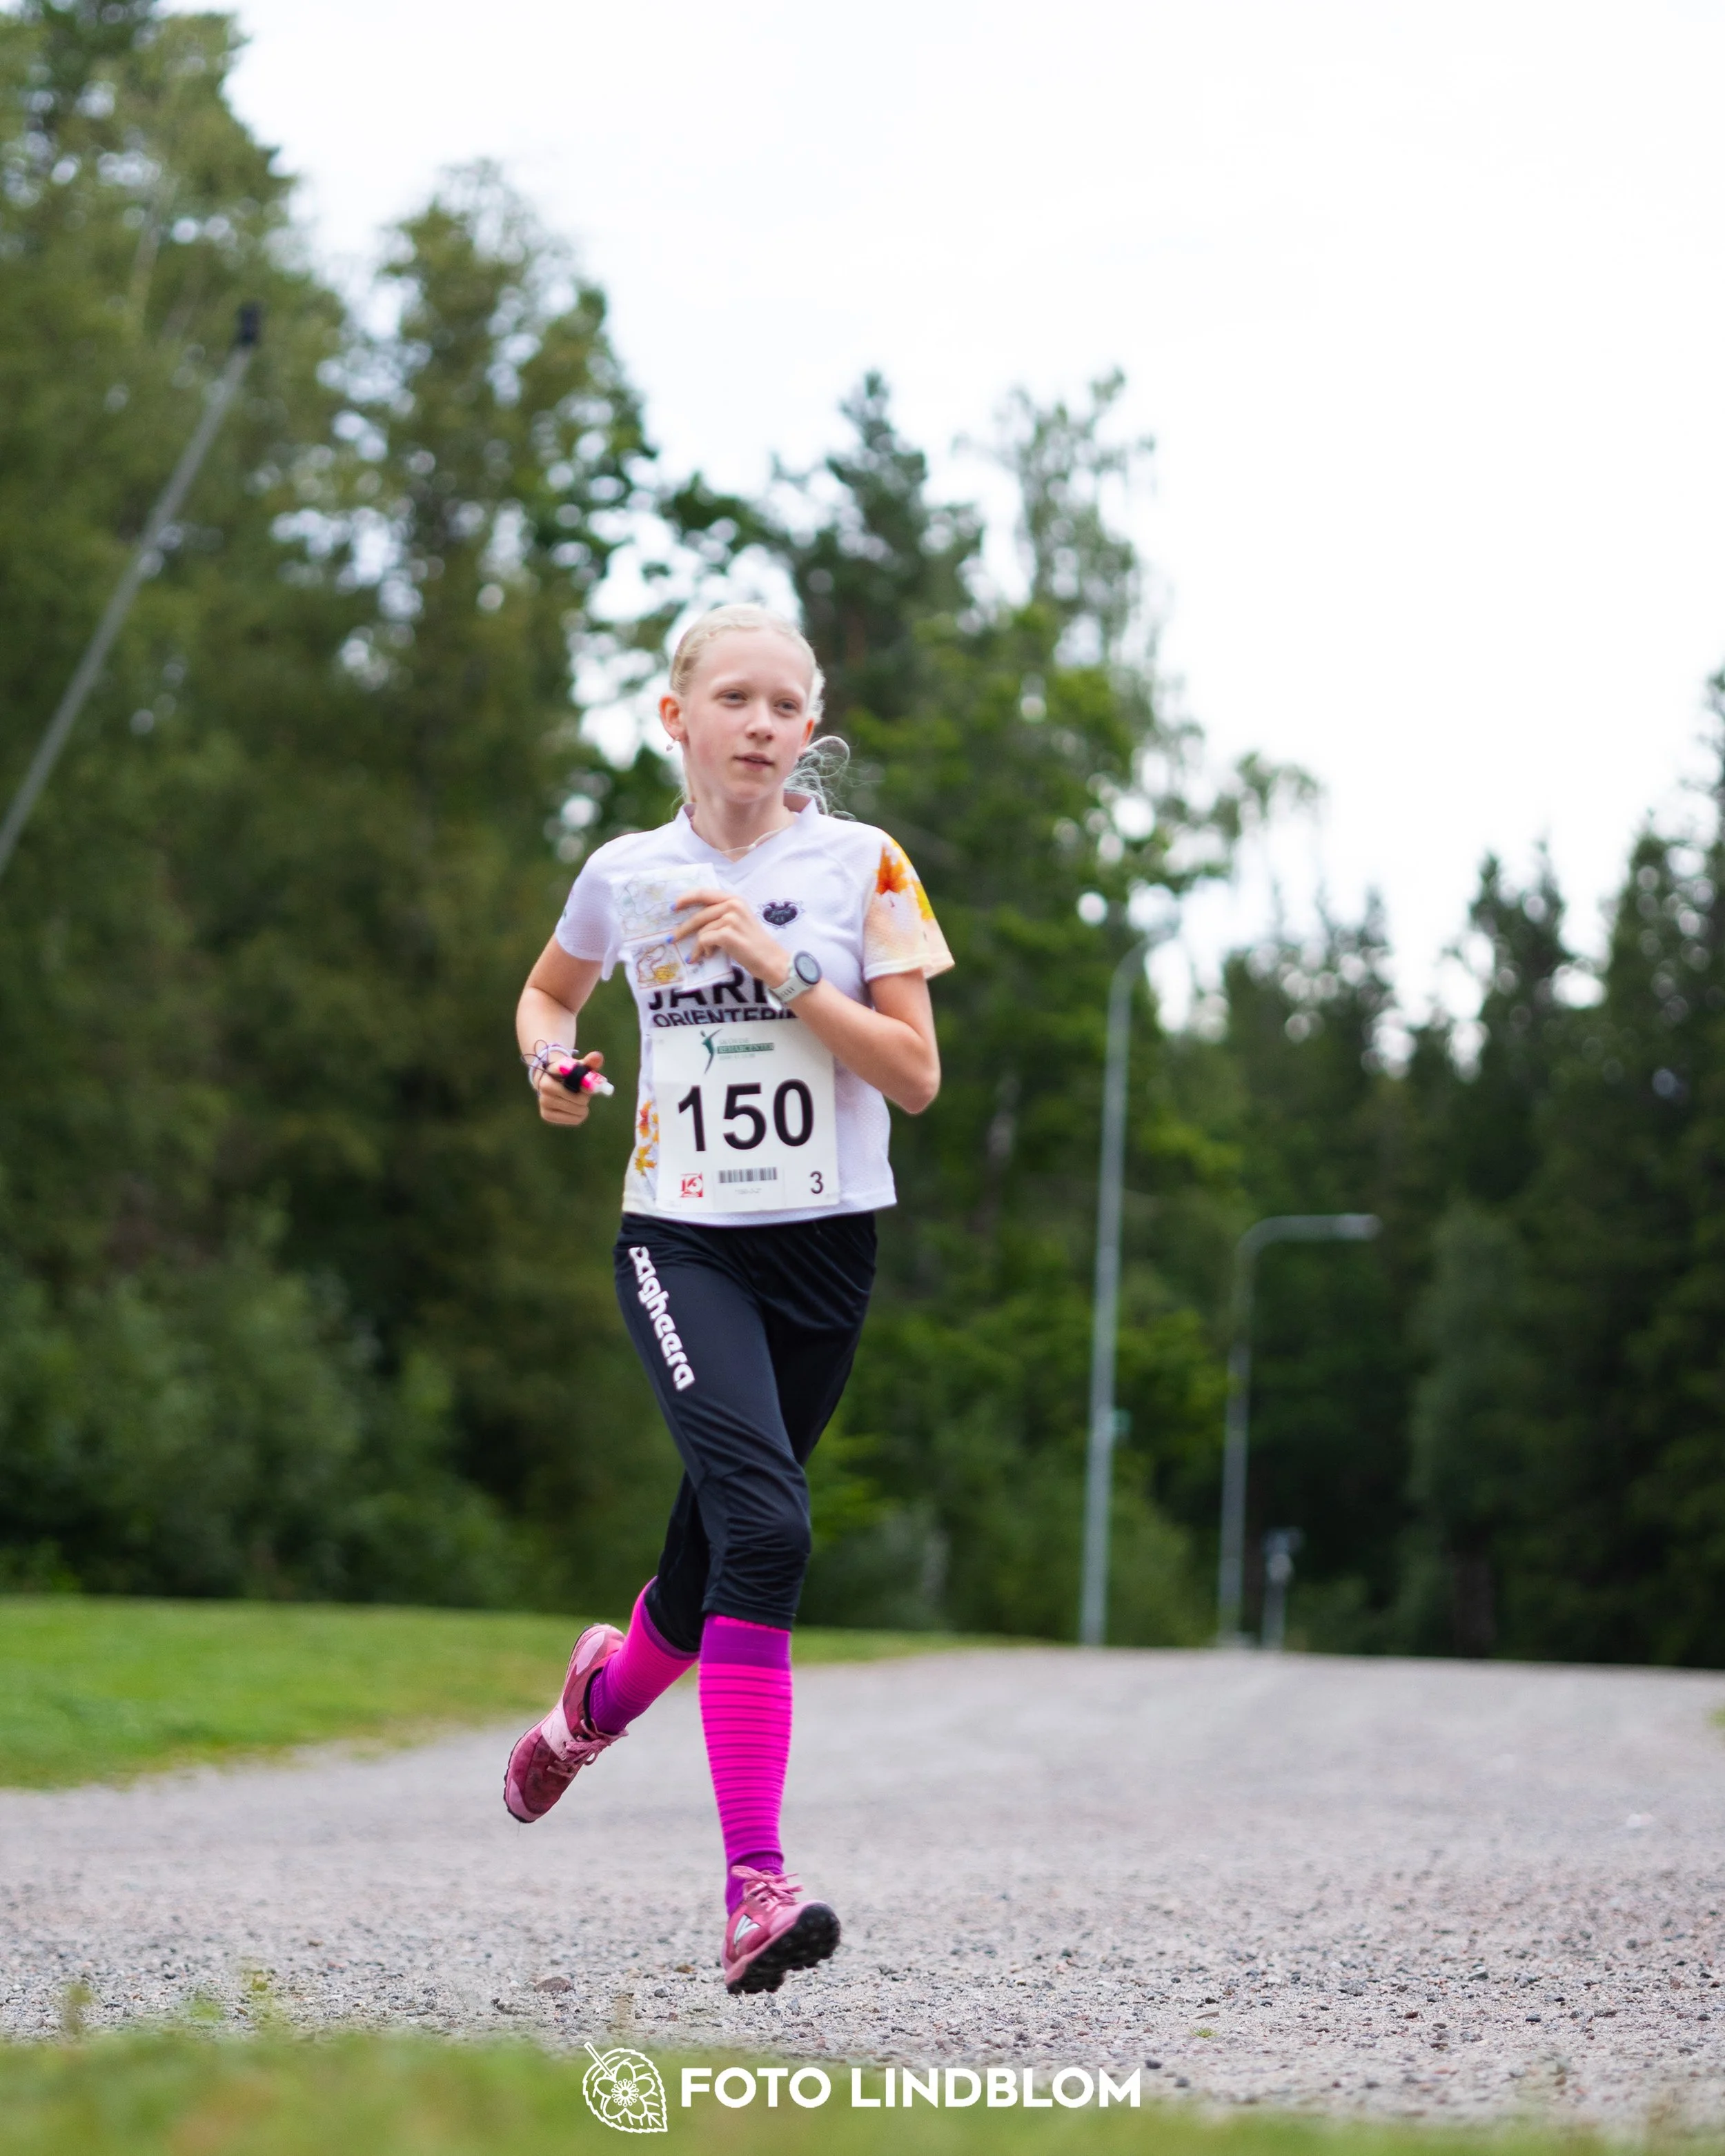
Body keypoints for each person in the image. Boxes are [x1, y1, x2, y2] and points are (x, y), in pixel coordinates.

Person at [504, 602, 952, 1997]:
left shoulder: (863, 865)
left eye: (786, 704)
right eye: (735, 699)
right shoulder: (624, 871)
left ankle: (589, 1708)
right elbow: (547, 994)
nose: (762, 724)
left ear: (807, 729)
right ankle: (754, 1887)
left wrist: (781, 963)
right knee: (766, 1522)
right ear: (675, 717)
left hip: (824, 1251)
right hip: (679, 1237)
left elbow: (914, 1072)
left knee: (709, 1567)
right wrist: (554, 1067)